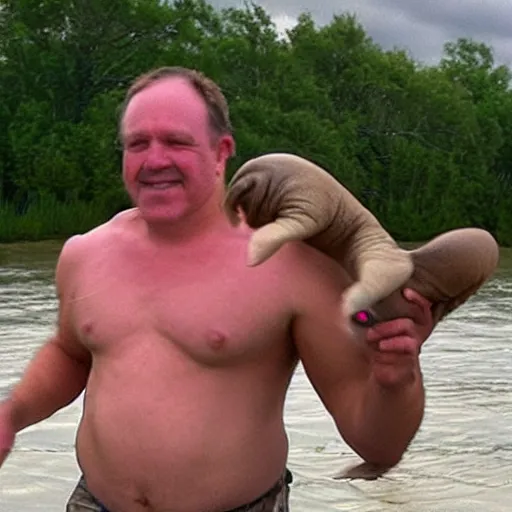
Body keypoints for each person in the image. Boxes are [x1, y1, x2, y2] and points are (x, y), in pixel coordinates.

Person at [0, 66, 435, 512]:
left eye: (176, 142)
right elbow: (70, 355)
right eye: (137, 144)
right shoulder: (84, 254)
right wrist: (11, 415)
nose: (153, 160)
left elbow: (376, 442)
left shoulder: (291, 263)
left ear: (220, 151)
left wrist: (396, 379)